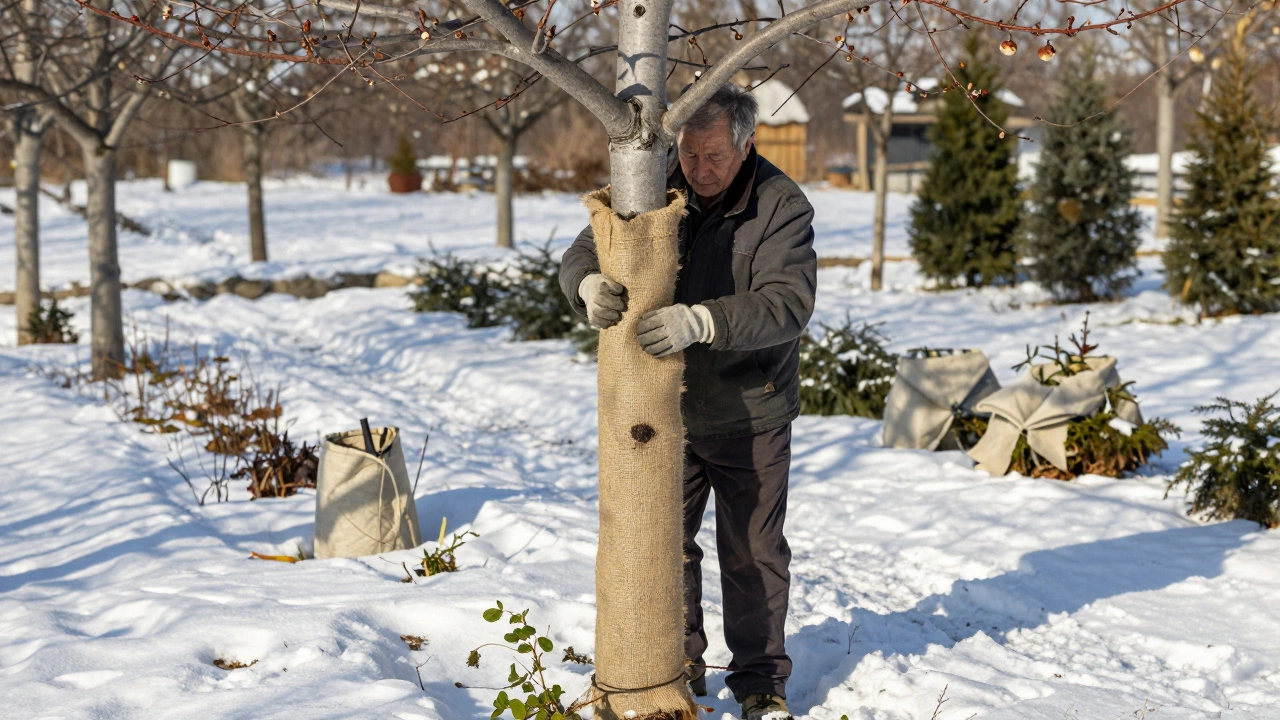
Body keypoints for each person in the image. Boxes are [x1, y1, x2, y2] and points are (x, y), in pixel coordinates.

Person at [559, 83, 817, 720]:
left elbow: (789, 304)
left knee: (752, 552)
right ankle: (677, 667)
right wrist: (584, 284)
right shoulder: (657, 185)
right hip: (664, 414)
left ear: (746, 144)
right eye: (690, 154)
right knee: (662, 545)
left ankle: (760, 682)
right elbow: (585, 246)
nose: (698, 172)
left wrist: (703, 321)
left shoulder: (780, 205)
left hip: (748, 410)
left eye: (714, 158)